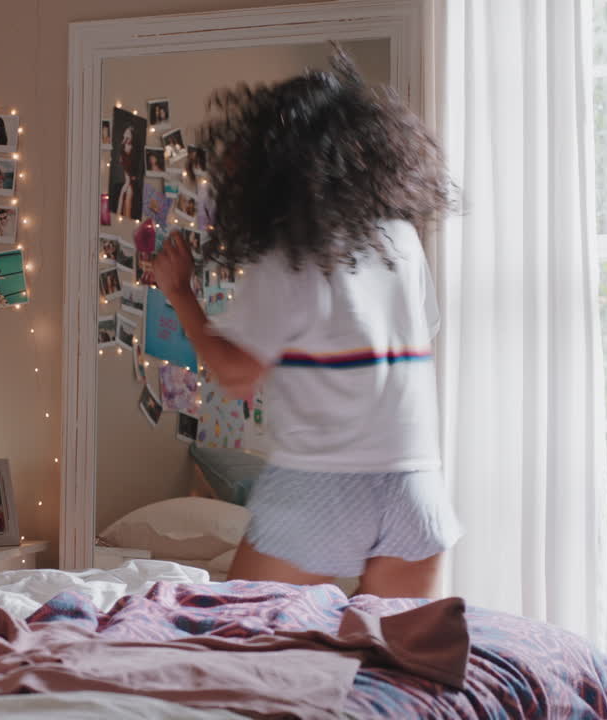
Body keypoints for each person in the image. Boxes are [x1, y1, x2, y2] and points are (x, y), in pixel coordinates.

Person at [152, 48, 457, 599]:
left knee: (243, 641)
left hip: (322, 487)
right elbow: (420, 334)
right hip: (414, 482)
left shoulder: (288, 258)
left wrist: (180, 294)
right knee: (398, 667)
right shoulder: (402, 241)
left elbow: (236, 375)